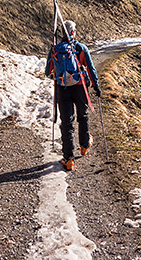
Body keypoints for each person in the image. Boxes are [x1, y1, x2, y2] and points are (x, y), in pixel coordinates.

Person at [45, 20, 101, 171]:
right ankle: (84, 146)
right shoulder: (80, 48)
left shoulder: (55, 49)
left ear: (62, 33)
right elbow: (90, 68)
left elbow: (47, 72)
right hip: (80, 87)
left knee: (67, 123)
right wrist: (96, 85)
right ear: (73, 32)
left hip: (62, 88)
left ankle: (68, 159)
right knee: (82, 115)